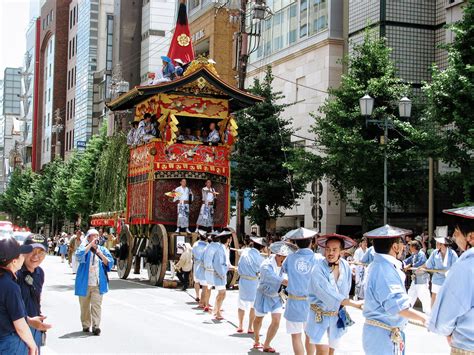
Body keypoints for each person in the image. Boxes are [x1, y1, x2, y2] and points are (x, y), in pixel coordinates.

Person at [362, 225, 427, 355]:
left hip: (383, 334)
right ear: (395, 247)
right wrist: (425, 319)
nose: (404, 247)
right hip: (382, 336)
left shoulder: (381, 266)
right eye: (401, 243)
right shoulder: (384, 269)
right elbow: (398, 306)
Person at [305, 234, 363, 355]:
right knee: (322, 351)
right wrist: (354, 304)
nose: (330, 253)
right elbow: (327, 293)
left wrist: (344, 304)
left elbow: (346, 290)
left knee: (332, 351)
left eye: (334, 249)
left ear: (342, 252)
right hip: (319, 315)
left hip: (336, 315)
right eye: (327, 249)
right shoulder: (317, 269)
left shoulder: (345, 266)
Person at [429, 206, 474, 354]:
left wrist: (446, 331)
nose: (454, 236)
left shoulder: (465, 266)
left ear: (471, 237)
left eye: (457, 232)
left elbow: (447, 312)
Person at [282, 229, 321, 355]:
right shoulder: (318, 258)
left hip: (294, 301)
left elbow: (284, 273)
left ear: (296, 243)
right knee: (310, 336)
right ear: (311, 242)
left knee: (296, 336)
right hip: (313, 304)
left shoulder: (290, 258)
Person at [253, 241, 295, 353]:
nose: (286, 260)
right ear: (278, 255)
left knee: (276, 320)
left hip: (276, 295)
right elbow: (273, 278)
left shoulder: (285, 265)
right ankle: (256, 339)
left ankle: (267, 344)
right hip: (263, 294)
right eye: (285, 257)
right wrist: (290, 282)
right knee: (258, 318)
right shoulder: (266, 265)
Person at [0, 237, 38, 355]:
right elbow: (20, 325)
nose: (24, 257)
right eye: (21, 255)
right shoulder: (10, 286)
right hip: (8, 343)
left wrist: (28, 319)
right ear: (14, 261)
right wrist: (33, 346)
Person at [16, 235, 53, 352]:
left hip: (35, 327)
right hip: (16, 329)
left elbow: (37, 297)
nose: (36, 256)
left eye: (41, 252)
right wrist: (28, 321)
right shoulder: (14, 272)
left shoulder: (39, 272)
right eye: (32, 251)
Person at [75, 228, 114, 336]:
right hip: (85, 283)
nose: (95, 238)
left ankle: (96, 326)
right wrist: (90, 245)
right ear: (88, 238)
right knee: (84, 306)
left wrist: (99, 253)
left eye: (97, 236)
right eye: (93, 236)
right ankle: (86, 325)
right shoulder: (84, 248)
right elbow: (78, 255)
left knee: (96, 305)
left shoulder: (102, 249)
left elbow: (110, 263)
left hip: (98, 283)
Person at [236, 236, 265, 334]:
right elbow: (261, 272)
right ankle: (250, 327)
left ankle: (240, 325)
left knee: (241, 304)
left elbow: (239, 266)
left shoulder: (244, 253)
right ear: (261, 248)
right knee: (253, 306)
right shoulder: (260, 258)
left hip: (243, 280)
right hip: (253, 281)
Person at [422, 227, 458, 306]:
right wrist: (421, 268)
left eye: (438, 243)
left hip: (448, 280)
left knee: (448, 299)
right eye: (437, 243)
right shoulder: (434, 253)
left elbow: (456, 268)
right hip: (437, 279)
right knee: (434, 297)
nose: (436, 244)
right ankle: (433, 315)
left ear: (443, 244)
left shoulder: (452, 254)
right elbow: (428, 264)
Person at [403, 240, 431, 315]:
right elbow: (406, 261)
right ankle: (408, 309)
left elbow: (420, 263)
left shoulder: (421, 254)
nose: (409, 247)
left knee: (423, 295)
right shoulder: (414, 255)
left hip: (422, 278)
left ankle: (428, 313)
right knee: (411, 293)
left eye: (410, 246)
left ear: (414, 247)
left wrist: (410, 265)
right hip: (415, 279)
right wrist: (402, 264)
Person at [211, 230, 234, 320]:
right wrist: (222, 273)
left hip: (222, 273)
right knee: (222, 293)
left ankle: (216, 309)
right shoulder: (220, 249)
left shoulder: (224, 248)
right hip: (219, 274)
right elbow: (218, 263)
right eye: (230, 238)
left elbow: (226, 262)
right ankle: (217, 312)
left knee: (221, 294)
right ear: (228, 239)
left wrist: (232, 267)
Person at [202, 232, 220, 312]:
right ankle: (217, 307)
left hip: (207, 270)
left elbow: (203, 257)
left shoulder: (207, 246)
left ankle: (206, 304)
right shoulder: (219, 247)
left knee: (208, 288)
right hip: (215, 270)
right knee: (220, 289)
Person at [192, 230, 209, 305]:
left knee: (196, 281)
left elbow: (192, 254)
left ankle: (197, 295)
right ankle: (203, 300)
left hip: (196, 264)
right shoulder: (207, 245)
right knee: (205, 284)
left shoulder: (195, 244)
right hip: (204, 265)